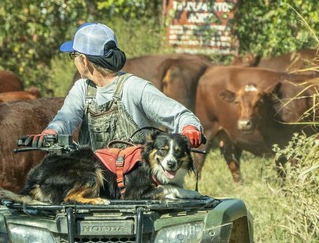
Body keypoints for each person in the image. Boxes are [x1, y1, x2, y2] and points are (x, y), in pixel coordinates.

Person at [28, 22, 203, 150]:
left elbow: (181, 116)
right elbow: (66, 119)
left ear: (84, 59)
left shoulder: (134, 87)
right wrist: (51, 132)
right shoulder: (81, 89)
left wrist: (189, 128)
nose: (73, 60)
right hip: (93, 177)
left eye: (73, 54)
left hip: (135, 181)